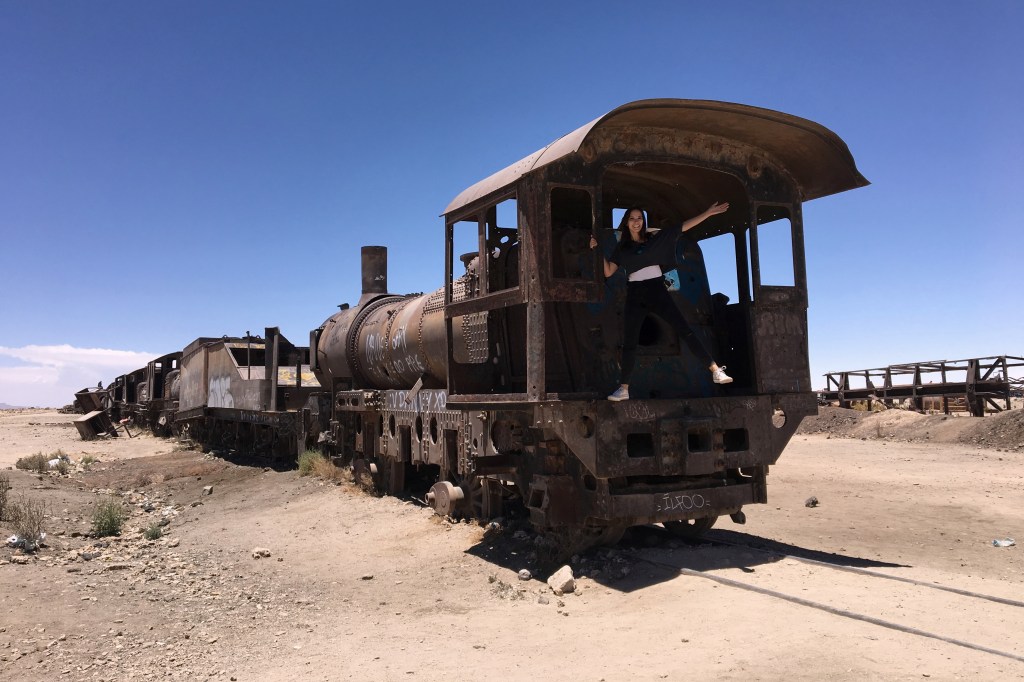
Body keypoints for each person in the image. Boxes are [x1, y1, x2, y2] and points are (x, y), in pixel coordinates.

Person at [590, 204, 733, 401]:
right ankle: (624, 389)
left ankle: (716, 370)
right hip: (635, 294)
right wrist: (596, 250)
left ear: (643, 221)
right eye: (632, 218)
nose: (636, 222)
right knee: (630, 342)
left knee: (685, 330)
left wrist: (707, 213)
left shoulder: (654, 239)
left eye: (639, 218)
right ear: (626, 223)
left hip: (657, 290)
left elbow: (682, 227)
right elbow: (608, 272)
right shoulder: (622, 248)